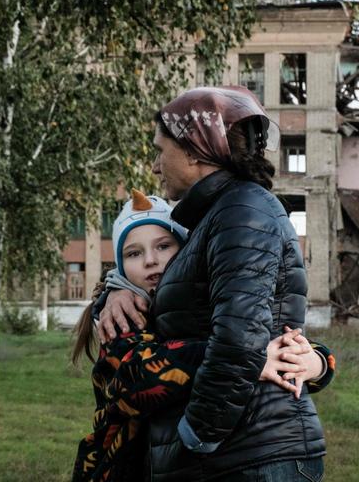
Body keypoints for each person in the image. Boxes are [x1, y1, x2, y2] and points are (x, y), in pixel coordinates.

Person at [97, 86, 331, 481]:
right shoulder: (214, 218)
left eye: (160, 150)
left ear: (193, 150)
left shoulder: (242, 210)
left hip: (247, 454)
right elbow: (183, 314)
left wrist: (196, 435)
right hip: (235, 454)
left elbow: (242, 340)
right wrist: (115, 288)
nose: (155, 166)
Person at [72, 189, 333, 482]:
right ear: (120, 266)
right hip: (126, 466)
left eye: (163, 246)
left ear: (184, 250)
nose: (150, 261)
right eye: (134, 253)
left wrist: (318, 362)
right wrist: (243, 359)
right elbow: (137, 379)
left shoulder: (192, 302)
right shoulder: (121, 317)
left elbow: (258, 336)